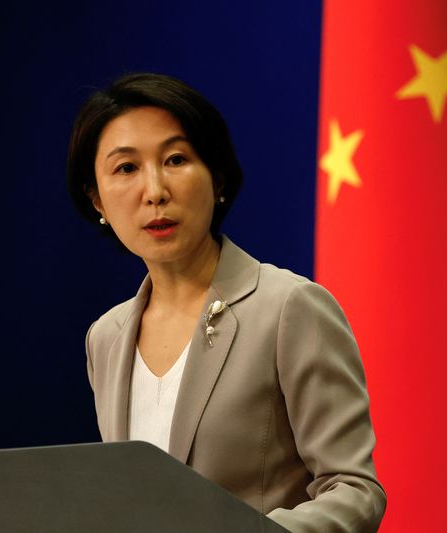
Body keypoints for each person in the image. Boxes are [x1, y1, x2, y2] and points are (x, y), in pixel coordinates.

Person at [67, 73, 386, 533]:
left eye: (175, 159)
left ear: (217, 178)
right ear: (96, 199)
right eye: (126, 169)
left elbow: (355, 491)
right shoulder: (106, 337)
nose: (154, 190)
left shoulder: (289, 308)